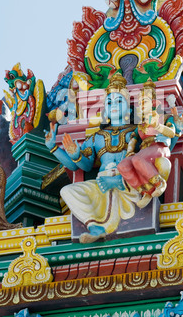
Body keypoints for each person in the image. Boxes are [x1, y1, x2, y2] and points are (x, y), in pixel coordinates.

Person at [45, 73, 142, 244]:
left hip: (128, 184)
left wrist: (121, 181)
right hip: (101, 185)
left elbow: (148, 156)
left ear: (129, 108)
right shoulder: (97, 137)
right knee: (67, 191)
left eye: (119, 101)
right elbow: (82, 167)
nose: (114, 106)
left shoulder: (136, 132)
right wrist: (55, 148)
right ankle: (96, 228)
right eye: (109, 102)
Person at [117, 79, 183, 208]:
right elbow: (134, 137)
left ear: (153, 102)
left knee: (137, 160)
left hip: (159, 147)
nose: (141, 105)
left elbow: (171, 132)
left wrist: (158, 126)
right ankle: (146, 190)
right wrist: (130, 149)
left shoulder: (164, 117)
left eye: (144, 102)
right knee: (123, 166)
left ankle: (160, 183)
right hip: (144, 150)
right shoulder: (141, 124)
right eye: (139, 102)